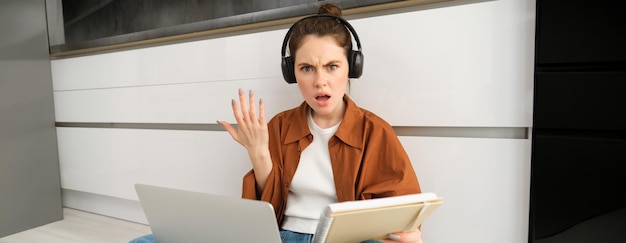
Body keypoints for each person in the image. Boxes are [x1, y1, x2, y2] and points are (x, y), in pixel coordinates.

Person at [217, 3, 423, 243]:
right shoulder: (279, 126)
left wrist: (408, 234)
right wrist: (259, 154)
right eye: (306, 68)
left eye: (332, 66)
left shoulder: (375, 132)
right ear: (292, 73)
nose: (320, 81)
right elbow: (264, 214)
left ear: (352, 68)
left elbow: (402, 211)